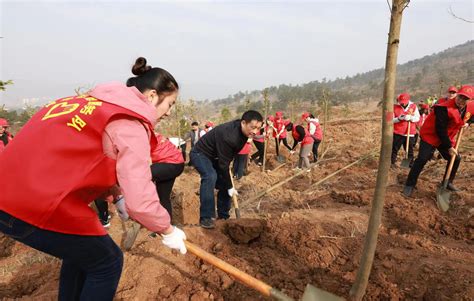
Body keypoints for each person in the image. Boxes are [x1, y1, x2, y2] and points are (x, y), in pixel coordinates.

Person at [0, 57, 187, 300]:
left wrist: (116, 195)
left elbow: (78, 158)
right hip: (33, 206)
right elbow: (141, 202)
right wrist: (167, 229)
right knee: (107, 262)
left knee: (80, 254)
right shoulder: (129, 123)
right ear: (152, 96)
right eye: (170, 104)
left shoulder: (85, 102)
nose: (169, 113)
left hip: (9, 196)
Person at [190, 110, 263, 229]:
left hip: (216, 156)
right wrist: (230, 186)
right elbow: (223, 165)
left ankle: (223, 217)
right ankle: (206, 217)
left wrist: (227, 184)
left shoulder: (244, 133)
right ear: (243, 123)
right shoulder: (229, 136)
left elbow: (227, 160)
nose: (255, 131)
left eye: (258, 128)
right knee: (210, 176)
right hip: (200, 154)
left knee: (225, 182)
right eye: (252, 127)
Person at [403, 85, 474, 197]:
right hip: (431, 135)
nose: (461, 101)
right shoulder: (443, 108)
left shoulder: (471, 106)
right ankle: (409, 184)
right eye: (460, 97)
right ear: (456, 95)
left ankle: (447, 182)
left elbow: (472, 116)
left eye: (465, 99)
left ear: (470, 100)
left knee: (455, 158)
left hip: (447, 137)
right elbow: (440, 130)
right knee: (422, 158)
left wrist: (468, 123)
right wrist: (449, 147)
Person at [150, 133, 185, 221]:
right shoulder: (150, 133)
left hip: (170, 163)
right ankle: (167, 225)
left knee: (142, 175)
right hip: (176, 164)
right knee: (163, 197)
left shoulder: (143, 134)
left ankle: (145, 212)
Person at [391, 93, 420, 168]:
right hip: (398, 132)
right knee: (394, 149)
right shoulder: (394, 107)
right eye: (401, 102)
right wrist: (399, 119)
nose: (403, 103)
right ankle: (392, 163)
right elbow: (389, 120)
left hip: (409, 133)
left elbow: (418, 118)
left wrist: (410, 117)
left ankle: (409, 164)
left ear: (408, 100)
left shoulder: (413, 106)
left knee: (409, 150)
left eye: (404, 102)